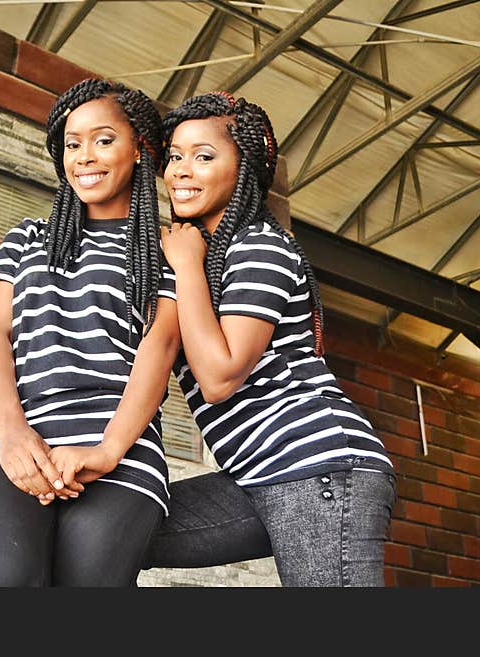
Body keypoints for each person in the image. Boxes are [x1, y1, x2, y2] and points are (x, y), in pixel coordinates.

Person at [147, 92, 396, 586]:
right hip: (253, 473)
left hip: (316, 465)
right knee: (120, 530)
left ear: (244, 170)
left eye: (203, 156)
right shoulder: (196, 256)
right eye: (175, 156)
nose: (181, 170)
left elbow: (220, 376)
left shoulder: (259, 245)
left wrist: (187, 264)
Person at [0, 79, 179, 587]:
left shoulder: (168, 251)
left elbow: (157, 353)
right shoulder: (27, 237)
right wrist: (11, 434)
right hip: (19, 444)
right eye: (72, 144)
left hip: (120, 452)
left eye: (103, 140)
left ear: (140, 149)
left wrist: (106, 451)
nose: (85, 157)